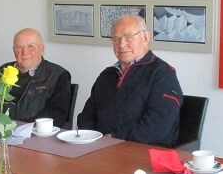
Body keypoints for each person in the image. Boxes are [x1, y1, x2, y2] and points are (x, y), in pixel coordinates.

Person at [77, 15, 182, 147]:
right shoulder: (107, 75)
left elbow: (158, 125)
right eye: (116, 39)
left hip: (143, 151)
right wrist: (90, 139)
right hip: (100, 148)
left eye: (129, 37)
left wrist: (114, 138)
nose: (121, 44)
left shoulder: (162, 74)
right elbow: (86, 116)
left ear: (145, 38)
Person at [0, 28, 72, 127]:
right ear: (14, 51)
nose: (25, 52)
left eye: (31, 46)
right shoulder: (4, 70)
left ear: (42, 49)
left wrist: (22, 127)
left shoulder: (58, 75)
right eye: (20, 47)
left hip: (33, 132)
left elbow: (56, 114)